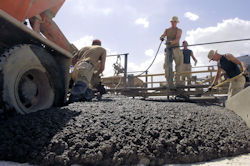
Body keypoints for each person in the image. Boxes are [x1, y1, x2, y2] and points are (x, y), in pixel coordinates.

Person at [160, 16, 183, 86]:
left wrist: (170, 42)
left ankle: (177, 82)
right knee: (167, 66)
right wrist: (162, 37)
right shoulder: (167, 30)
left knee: (178, 65)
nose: (173, 23)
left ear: (176, 23)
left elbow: (177, 39)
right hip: (169, 50)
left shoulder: (179, 30)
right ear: (171, 22)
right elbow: (163, 35)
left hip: (176, 49)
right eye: (172, 22)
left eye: (175, 22)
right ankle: (169, 82)